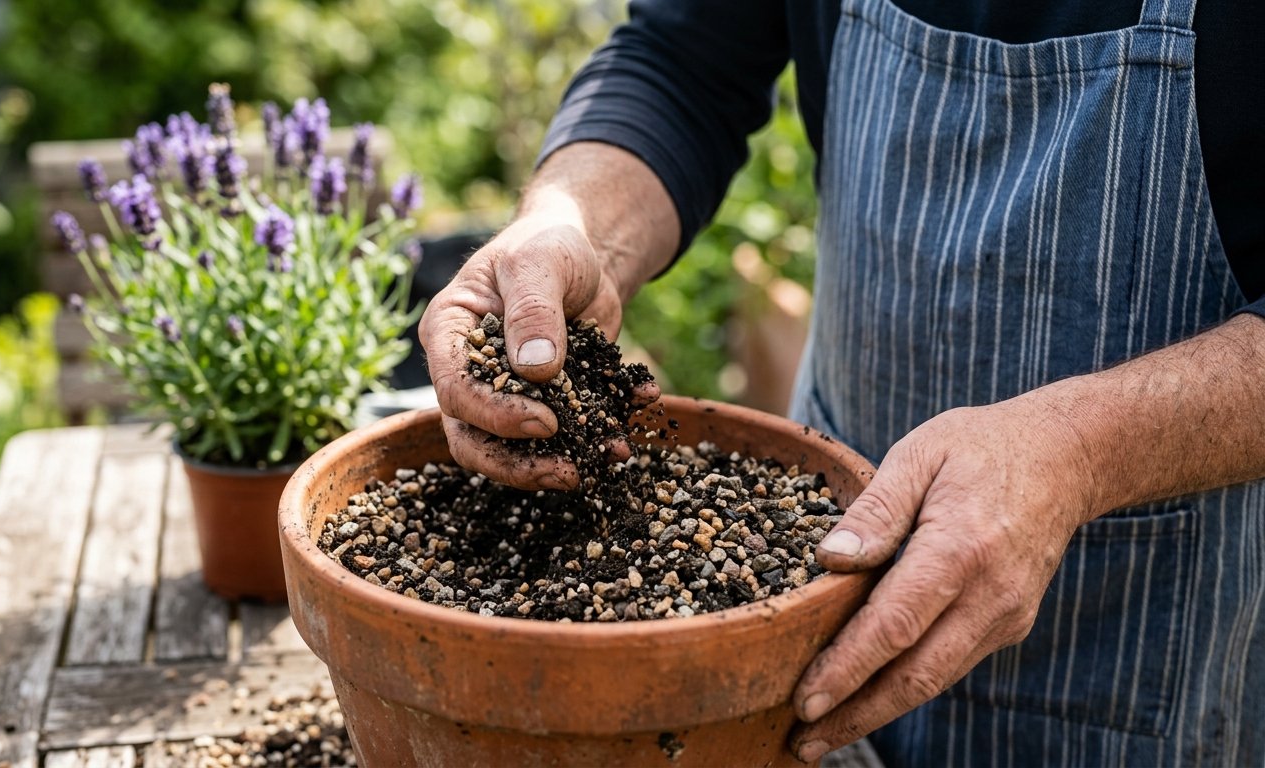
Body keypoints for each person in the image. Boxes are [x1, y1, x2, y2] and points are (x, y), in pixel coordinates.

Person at [419, 0, 1265, 764]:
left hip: (1146, 632)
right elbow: (682, 58)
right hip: (817, 561)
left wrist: (1080, 452)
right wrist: (572, 224)